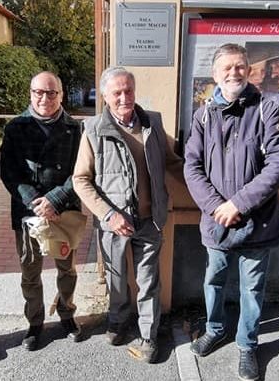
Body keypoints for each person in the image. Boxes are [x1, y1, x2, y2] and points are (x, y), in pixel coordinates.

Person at [184, 43, 279, 381]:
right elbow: (192, 166)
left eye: (240, 66)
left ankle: (247, 344)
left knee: (252, 288)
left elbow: (278, 165)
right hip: (217, 223)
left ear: (248, 70)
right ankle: (215, 329)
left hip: (258, 222)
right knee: (213, 280)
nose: (234, 73)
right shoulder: (202, 115)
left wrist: (238, 204)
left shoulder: (267, 109)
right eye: (227, 67)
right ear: (215, 74)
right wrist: (218, 207)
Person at [73, 66, 184, 363]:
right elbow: (80, 180)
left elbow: (173, 163)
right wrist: (109, 214)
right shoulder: (93, 129)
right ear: (105, 97)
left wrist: (206, 188)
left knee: (148, 282)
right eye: (117, 92)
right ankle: (118, 321)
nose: (124, 97)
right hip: (114, 224)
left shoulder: (153, 124)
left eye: (128, 91)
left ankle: (149, 335)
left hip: (151, 220)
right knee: (117, 279)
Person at [0, 71, 83, 351]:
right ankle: (35, 322)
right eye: (38, 92)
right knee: (30, 272)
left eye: (51, 93)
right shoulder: (15, 128)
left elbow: (82, 172)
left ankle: (66, 312)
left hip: (64, 212)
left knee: (67, 270)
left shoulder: (76, 129)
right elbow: (10, 173)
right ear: (30, 94)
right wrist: (37, 202)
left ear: (60, 95)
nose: (44, 98)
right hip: (28, 213)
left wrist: (55, 200)